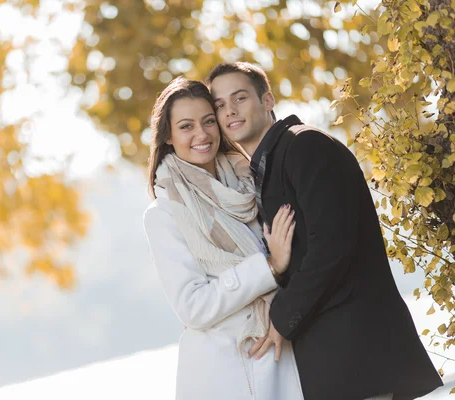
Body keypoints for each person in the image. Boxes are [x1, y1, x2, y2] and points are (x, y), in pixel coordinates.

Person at [206, 61, 443, 400]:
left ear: (268, 100)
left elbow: (332, 245)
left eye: (240, 98)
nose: (230, 111)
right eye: (220, 105)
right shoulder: (270, 164)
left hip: (357, 352)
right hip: (336, 357)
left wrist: (282, 317)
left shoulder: (305, 146)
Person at [143, 77, 304, 399]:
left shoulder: (252, 184)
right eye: (186, 126)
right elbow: (193, 307)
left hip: (281, 351)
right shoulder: (164, 214)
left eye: (207, 122)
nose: (201, 135)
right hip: (222, 371)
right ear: (169, 137)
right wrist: (268, 268)